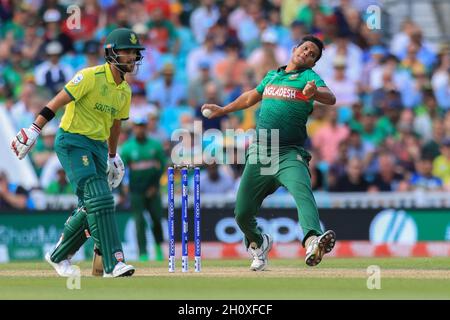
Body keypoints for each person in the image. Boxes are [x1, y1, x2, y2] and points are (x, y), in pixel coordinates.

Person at [10, 28, 145, 278]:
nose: (132, 58)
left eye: (135, 53)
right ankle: (114, 263)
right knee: (101, 198)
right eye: (127, 52)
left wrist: (113, 156)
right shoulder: (89, 77)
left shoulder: (124, 91)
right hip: (72, 141)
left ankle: (58, 255)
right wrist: (35, 128)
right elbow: (56, 102)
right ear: (112, 53)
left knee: (90, 205)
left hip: (98, 147)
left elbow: (116, 125)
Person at [202, 35, 337, 271]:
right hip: (261, 152)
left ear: (313, 63)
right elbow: (250, 97)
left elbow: (331, 98)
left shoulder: (309, 77)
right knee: (242, 213)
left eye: (313, 54)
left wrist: (313, 92)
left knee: (302, 192)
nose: (307, 53)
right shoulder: (272, 75)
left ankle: (312, 241)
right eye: (305, 48)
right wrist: (223, 110)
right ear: (295, 49)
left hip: (288, 153)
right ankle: (259, 243)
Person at [120, 115, 166, 262]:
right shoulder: (127, 147)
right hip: (136, 190)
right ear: (133, 128)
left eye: (142, 126)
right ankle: (143, 253)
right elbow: (121, 169)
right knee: (139, 222)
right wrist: (124, 187)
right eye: (137, 126)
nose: (139, 129)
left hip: (152, 189)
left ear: (146, 128)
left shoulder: (155, 145)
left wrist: (155, 186)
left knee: (156, 219)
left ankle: (159, 249)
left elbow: (162, 167)